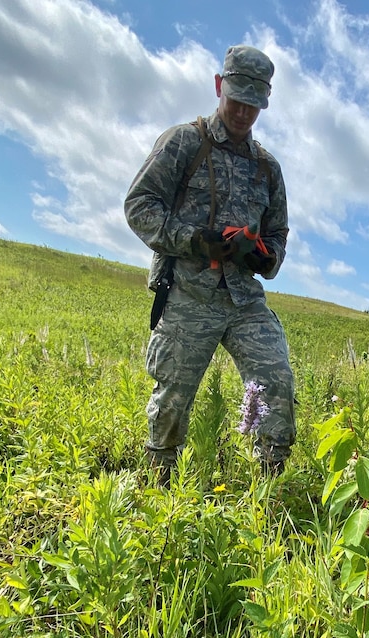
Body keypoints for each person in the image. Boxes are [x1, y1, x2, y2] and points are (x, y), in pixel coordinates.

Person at [124, 44, 296, 485]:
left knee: (277, 382)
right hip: (187, 292)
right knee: (172, 401)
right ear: (219, 86)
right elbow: (140, 205)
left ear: (265, 103)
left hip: (244, 301)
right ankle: (159, 491)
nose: (242, 112)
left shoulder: (267, 168)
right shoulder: (184, 141)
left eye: (253, 105)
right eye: (236, 99)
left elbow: (277, 237)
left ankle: (270, 490)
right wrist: (199, 242)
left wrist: (259, 255)